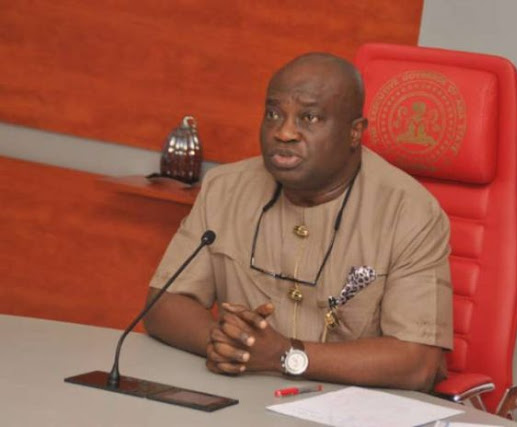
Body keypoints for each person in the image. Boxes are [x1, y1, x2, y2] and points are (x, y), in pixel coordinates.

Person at [144, 52, 453, 392]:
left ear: (354, 133)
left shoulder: (409, 211)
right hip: (240, 396)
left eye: (310, 118)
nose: (284, 132)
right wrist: (229, 344)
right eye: (273, 114)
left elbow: (418, 363)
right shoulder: (224, 188)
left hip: (349, 406)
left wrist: (285, 356)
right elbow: (164, 304)